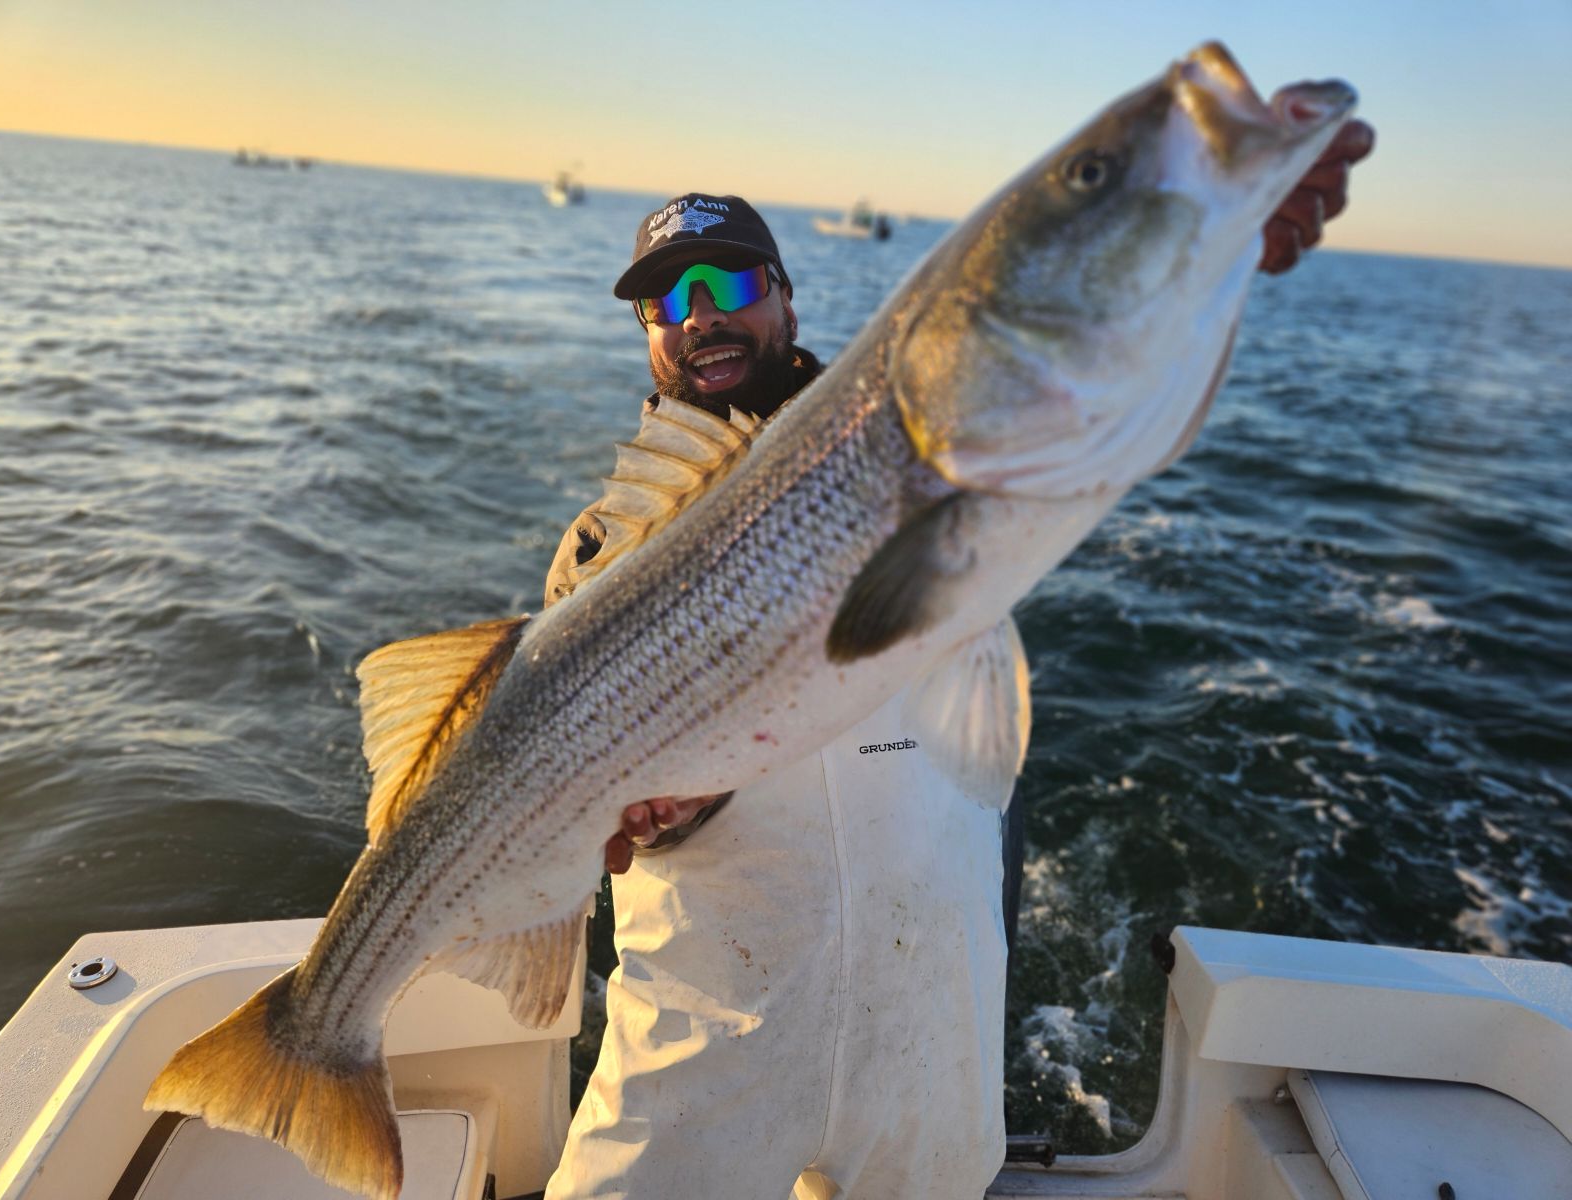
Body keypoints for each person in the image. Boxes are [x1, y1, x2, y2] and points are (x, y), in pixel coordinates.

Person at [542, 121, 1376, 1200]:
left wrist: (1201, 250)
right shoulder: (599, 552)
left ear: (786, 296)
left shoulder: (936, 434)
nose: (700, 310)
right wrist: (651, 807)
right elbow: (593, 808)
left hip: (925, 1017)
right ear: (647, 332)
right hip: (704, 1020)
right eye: (666, 298)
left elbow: (1094, 381)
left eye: (730, 278)